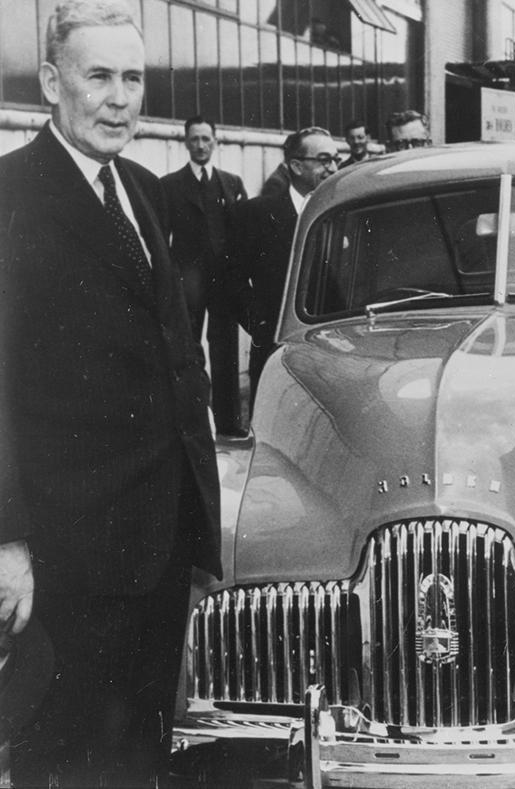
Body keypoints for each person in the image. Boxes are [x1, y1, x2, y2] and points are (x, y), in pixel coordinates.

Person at [0, 1, 222, 785]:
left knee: (138, 759)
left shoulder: (142, 189)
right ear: (53, 84)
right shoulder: (12, 195)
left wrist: (201, 518)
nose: (121, 97)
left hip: (159, 547)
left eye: (134, 77)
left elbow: (175, 360)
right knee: (67, 760)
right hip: (67, 559)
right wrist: (9, 541)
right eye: (100, 77)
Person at [229, 127, 340, 414]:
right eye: (324, 159)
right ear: (296, 165)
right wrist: (262, 328)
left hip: (337, 353)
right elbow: (231, 280)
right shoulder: (256, 214)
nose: (334, 168)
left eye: (336, 159)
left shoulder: (345, 210)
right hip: (276, 352)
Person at [162, 115, 249, 438]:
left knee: (225, 350)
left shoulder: (231, 183)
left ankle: (229, 422)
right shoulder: (169, 186)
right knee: (187, 350)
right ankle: (191, 419)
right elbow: (162, 237)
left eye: (206, 139)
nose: (200, 145)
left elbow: (241, 235)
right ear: (185, 142)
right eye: (194, 139)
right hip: (188, 283)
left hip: (223, 283)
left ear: (216, 141)